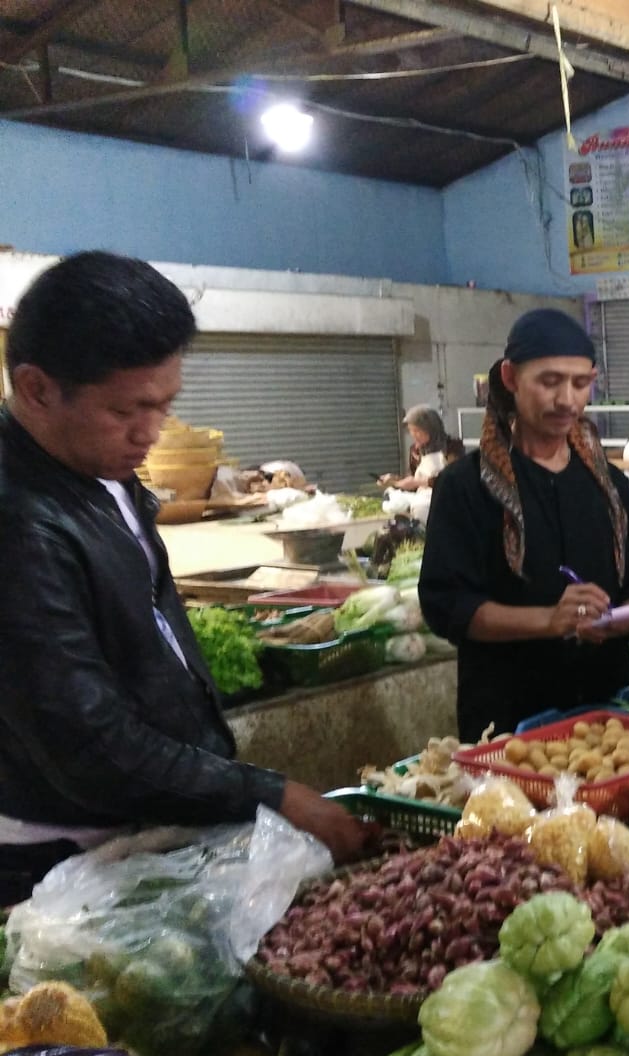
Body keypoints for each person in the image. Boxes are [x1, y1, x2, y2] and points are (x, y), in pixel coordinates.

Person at [0, 252, 370, 905]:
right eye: (127, 411)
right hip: (67, 868)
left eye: (164, 405)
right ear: (36, 389)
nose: (152, 433)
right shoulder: (20, 524)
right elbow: (87, 745)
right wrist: (270, 793)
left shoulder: (98, 472)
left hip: (148, 832)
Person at [419, 309, 629, 740]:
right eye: (550, 381)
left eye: (581, 383)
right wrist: (549, 620)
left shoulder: (607, 484)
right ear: (510, 377)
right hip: (507, 723)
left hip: (606, 716)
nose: (567, 401)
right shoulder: (465, 487)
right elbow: (447, 604)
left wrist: (625, 617)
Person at [383, 405, 462, 492]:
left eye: (417, 431)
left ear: (430, 429)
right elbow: (413, 481)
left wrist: (420, 482)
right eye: (410, 430)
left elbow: (454, 480)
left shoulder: (452, 447)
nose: (413, 435)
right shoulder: (415, 450)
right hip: (422, 500)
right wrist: (394, 481)